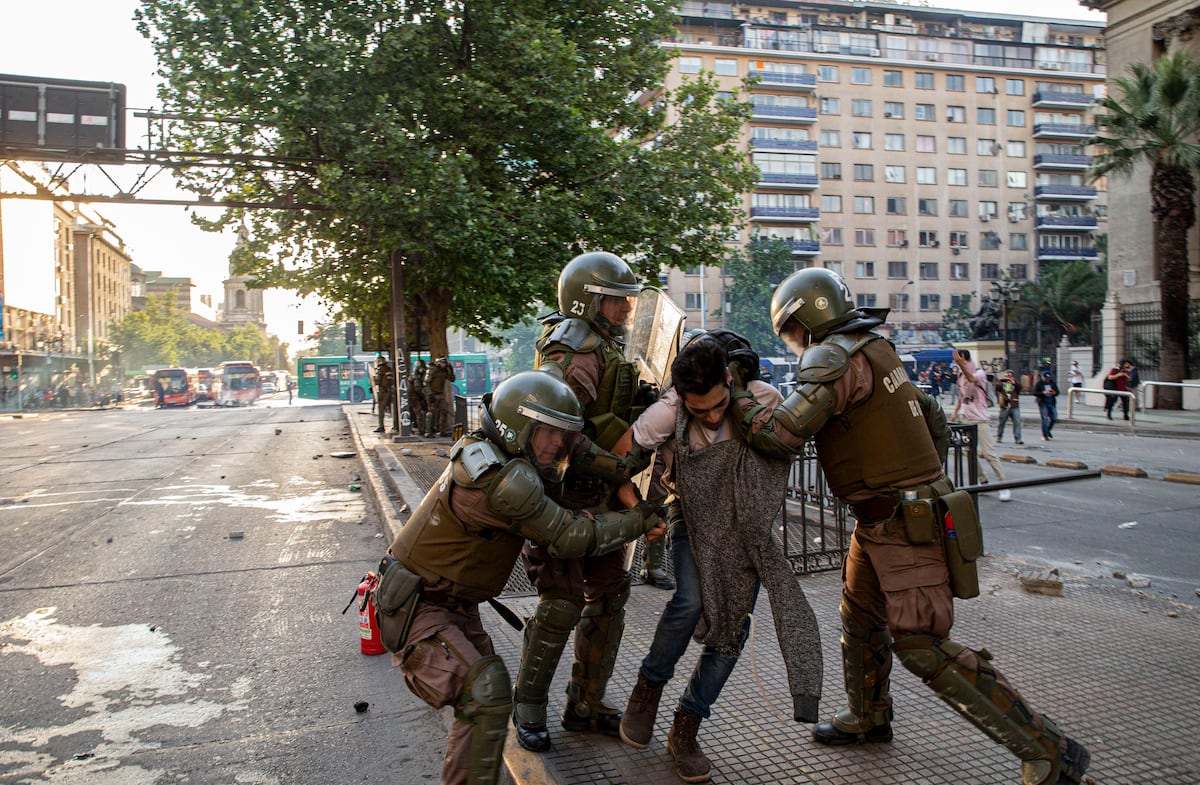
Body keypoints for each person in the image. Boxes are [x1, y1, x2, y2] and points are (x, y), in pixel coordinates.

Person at [731, 268, 1090, 785]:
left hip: (901, 522)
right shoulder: (876, 349)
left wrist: (739, 391)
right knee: (859, 620)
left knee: (921, 643)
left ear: (806, 320)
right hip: (885, 517)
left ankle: (1048, 749)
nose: (793, 341)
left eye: (791, 329)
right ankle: (868, 716)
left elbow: (778, 436)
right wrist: (921, 476)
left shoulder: (833, 357)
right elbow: (931, 417)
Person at [384, 371, 666, 785]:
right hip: (420, 607)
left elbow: (586, 464)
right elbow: (571, 537)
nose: (558, 444)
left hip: (452, 603)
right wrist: (638, 519)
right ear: (517, 427)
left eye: (563, 435)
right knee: (486, 692)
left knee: (485, 706)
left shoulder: (499, 456)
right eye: (548, 433)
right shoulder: (503, 480)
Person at [614, 334, 822, 784]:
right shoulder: (669, 410)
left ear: (731, 380)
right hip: (690, 519)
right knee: (688, 601)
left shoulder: (761, 400)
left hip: (745, 531)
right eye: (699, 408)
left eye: (717, 405)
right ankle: (647, 690)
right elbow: (618, 459)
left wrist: (745, 409)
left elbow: (789, 442)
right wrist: (637, 510)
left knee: (731, 630)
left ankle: (686, 727)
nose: (709, 416)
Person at [512, 250, 652, 752]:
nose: (625, 311)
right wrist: (621, 468)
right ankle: (527, 707)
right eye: (616, 302)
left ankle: (585, 704)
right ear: (588, 301)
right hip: (562, 499)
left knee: (610, 594)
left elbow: (599, 416)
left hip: (597, 498)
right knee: (561, 603)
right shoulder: (571, 354)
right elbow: (561, 434)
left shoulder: (602, 348)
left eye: (627, 302)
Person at [952, 349, 1011, 501]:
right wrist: (955, 411)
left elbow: (971, 378)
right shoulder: (960, 377)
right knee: (968, 452)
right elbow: (961, 395)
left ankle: (1003, 485)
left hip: (980, 419)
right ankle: (982, 480)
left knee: (988, 453)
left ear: (965, 359)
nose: (957, 363)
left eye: (960, 360)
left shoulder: (980, 374)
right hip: (966, 419)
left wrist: (961, 365)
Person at [425, 357, 456, 436]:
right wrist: (429, 394)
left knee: (444, 411)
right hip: (432, 394)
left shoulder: (445, 371)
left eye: (445, 363)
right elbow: (426, 383)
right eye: (442, 363)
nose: (444, 365)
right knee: (431, 413)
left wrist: (450, 370)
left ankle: (442, 431)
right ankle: (428, 431)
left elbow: (452, 379)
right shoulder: (432, 370)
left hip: (440, 394)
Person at [994, 369, 1023, 445]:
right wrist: (1000, 382)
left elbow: (1020, 388)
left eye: (1010, 375)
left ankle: (1018, 438)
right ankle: (999, 436)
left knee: (1017, 422)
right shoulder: (1002, 383)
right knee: (1002, 422)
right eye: (1007, 375)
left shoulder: (1015, 384)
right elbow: (997, 389)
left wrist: (1014, 383)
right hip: (1005, 406)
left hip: (1014, 405)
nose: (1009, 377)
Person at [1033, 370, 1060, 440]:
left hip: (1051, 402)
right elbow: (1035, 392)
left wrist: (1054, 393)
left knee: (1054, 418)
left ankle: (1047, 430)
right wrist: (1043, 393)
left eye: (1048, 378)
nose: (1047, 380)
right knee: (1045, 418)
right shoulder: (1039, 384)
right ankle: (1045, 435)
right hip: (1043, 402)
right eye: (1045, 378)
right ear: (1042, 377)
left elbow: (1057, 392)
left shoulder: (1052, 383)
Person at [373, 356, 395, 434]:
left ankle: (381, 426)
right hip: (390, 390)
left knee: (381, 409)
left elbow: (377, 381)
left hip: (383, 391)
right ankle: (395, 425)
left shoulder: (380, 369)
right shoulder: (389, 369)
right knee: (392, 409)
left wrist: (374, 378)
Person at [411, 358, 429, 432]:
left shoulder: (416, 375)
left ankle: (422, 428)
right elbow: (418, 388)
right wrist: (424, 395)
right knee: (419, 414)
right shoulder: (417, 376)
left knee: (422, 414)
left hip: (418, 397)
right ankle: (421, 429)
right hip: (416, 397)